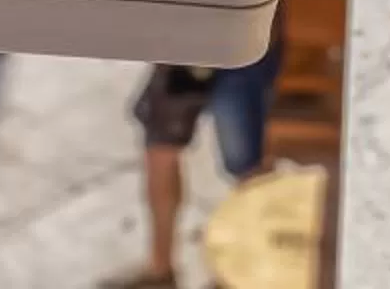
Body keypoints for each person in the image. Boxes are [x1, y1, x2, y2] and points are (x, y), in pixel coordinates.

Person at [113, 24, 282, 289]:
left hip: (245, 37)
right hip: (186, 42)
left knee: (248, 168)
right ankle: (160, 269)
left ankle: (243, 273)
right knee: (160, 149)